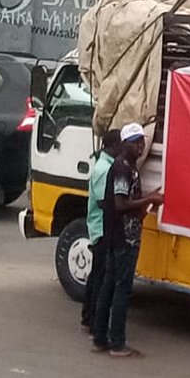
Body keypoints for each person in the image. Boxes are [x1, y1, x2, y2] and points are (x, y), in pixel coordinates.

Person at [92, 123, 163, 358]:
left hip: (120, 234)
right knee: (120, 288)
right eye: (135, 143)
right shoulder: (122, 169)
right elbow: (120, 203)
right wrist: (148, 199)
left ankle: (100, 338)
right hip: (123, 238)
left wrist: (146, 203)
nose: (141, 147)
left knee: (109, 285)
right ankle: (117, 343)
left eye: (142, 141)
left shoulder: (128, 167)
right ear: (124, 145)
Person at [81, 129, 122, 334]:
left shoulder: (107, 165)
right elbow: (103, 201)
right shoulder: (104, 169)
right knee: (101, 276)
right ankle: (93, 319)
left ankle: (88, 317)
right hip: (102, 228)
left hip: (101, 227)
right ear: (114, 146)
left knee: (97, 274)